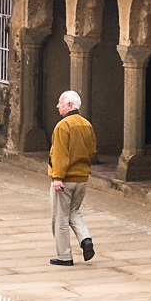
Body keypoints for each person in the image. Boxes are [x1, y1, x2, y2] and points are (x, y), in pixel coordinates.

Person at [47, 90, 97, 266]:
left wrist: (57, 177)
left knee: (60, 217)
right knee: (74, 212)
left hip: (65, 178)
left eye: (60, 102)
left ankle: (64, 256)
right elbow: (92, 151)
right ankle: (85, 239)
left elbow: (60, 154)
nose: (57, 106)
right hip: (82, 178)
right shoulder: (86, 125)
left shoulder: (63, 126)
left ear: (69, 105)